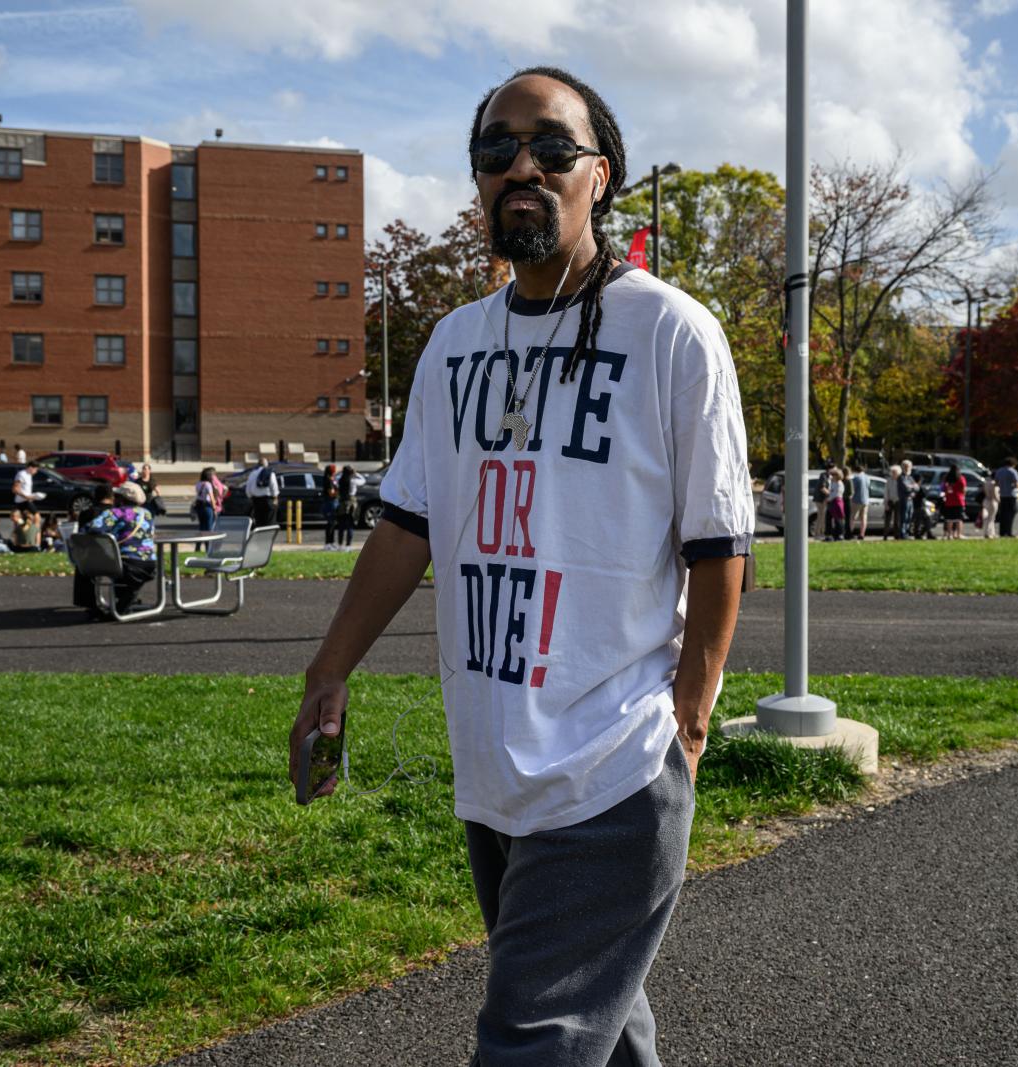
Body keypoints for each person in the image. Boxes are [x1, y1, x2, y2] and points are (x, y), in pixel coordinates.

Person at [292, 66, 751, 1067]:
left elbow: (719, 545)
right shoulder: (454, 343)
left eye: (551, 147)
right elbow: (407, 525)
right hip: (495, 771)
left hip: (613, 768)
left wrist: (693, 708)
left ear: (602, 175)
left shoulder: (671, 331)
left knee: (529, 1040)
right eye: (496, 150)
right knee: (602, 1027)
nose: (521, 168)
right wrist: (329, 667)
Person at [84, 482, 158, 615]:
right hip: (149, 564)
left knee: (111, 567)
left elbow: (92, 528)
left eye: (116, 495)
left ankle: (119, 607)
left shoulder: (116, 513)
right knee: (129, 583)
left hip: (126, 564)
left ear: (121, 498)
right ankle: (123, 605)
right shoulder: (147, 513)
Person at [335, 464, 365, 548]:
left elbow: (335, 479)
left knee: (341, 525)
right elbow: (363, 480)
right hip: (351, 503)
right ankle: (348, 545)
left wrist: (341, 472)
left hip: (341, 503)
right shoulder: (353, 481)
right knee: (350, 524)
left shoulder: (339, 480)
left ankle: (340, 544)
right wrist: (356, 473)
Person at [245, 456, 278, 527]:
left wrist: (250, 497)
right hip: (267, 500)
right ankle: (268, 535)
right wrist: (275, 498)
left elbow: (248, 488)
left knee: (259, 520)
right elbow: (274, 485)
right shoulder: (270, 473)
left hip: (256, 500)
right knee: (269, 521)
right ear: (266, 465)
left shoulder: (252, 474)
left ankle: (260, 536)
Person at [994, 457, 1018, 538]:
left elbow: (996, 483)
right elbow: (1017, 483)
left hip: (1002, 495)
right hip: (1011, 495)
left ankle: (1002, 532)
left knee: (1003, 514)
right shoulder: (1012, 471)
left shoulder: (999, 471)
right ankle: (1008, 532)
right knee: (1010, 515)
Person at [193, 467, 227, 532]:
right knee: (209, 526)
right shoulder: (208, 484)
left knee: (202, 525)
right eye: (212, 475)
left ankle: (200, 541)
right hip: (207, 506)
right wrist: (214, 509)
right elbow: (212, 498)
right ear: (208, 476)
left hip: (199, 506)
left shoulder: (198, 483)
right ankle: (208, 542)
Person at [12, 459, 45, 524]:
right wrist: (26, 497)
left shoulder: (29, 475)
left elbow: (26, 489)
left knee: (23, 520)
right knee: (37, 517)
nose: (36, 472)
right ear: (30, 468)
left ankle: (24, 532)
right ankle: (36, 533)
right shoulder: (21, 474)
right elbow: (15, 489)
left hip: (26, 501)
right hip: (22, 501)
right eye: (36, 469)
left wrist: (32, 496)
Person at [941, 465, 966, 539]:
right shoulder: (961, 478)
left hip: (949, 500)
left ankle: (949, 535)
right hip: (959, 500)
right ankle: (959, 534)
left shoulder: (946, 479)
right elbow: (963, 489)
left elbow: (943, 488)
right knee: (959, 519)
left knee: (949, 519)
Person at [895, 461, 918, 540]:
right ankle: (902, 533)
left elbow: (917, 488)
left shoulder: (910, 478)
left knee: (909, 517)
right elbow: (905, 488)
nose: (907, 468)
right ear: (902, 467)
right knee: (904, 517)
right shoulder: (901, 477)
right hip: (904, 500)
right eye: (906, 466)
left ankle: (907, 533)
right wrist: (912, 487)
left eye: (909, 466)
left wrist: (911, 487)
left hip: (910, 500)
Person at [320, 463, 340, 547]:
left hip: (333, 502)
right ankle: (328, 543)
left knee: (333, 523)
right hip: (330, 503)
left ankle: (331, 542)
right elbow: (331, 493)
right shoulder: (328, 480)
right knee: (330, 523)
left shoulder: (332, 479)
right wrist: (339, 492)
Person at [849, 464, 871, 540]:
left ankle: (850, 532)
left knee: (853, 517)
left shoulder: (856, 478)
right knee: (864, 518)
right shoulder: (867, 478)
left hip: (856, 500)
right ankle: (862, 534)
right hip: (865, 500)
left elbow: (853, 489)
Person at [883, 462, 901, 540]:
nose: (893, 474)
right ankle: (885, 535)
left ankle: (896, 535)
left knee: (897, 520)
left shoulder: (900, 480)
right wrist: (886, 503)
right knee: (887, 520)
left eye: (895, 472)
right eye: (892, 472)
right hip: (890, 501)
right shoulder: (888, 480)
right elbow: (886, 492)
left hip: (898, 501)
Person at [979, 470, 998, 539]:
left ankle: (990, 532)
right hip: (992, 501)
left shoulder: (985, 482)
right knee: (991, 518)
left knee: (986, 518)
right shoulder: (993, 483)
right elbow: (994, 494)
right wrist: (998, 500)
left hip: (986, 500)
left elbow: (984, 491)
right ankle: (989, 533)